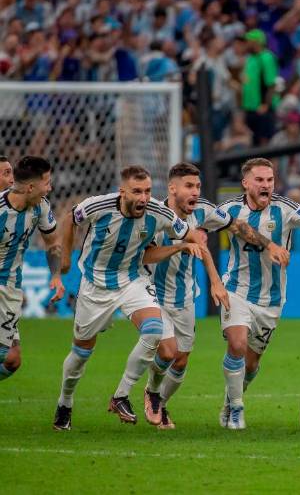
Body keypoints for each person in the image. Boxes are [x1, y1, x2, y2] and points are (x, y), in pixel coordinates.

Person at [52, 166, 213, 430]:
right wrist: (67, 257)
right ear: (122, 192)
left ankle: (121, 395)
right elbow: (70, 219)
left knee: (153, 331)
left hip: (133, 280)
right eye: (137, 192)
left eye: (148, 191)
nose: (143, 198)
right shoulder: (98, 206)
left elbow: (189, 233)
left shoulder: (159, 213)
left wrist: (189, 242)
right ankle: (65, 403)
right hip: (96, 285)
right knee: (81, 353)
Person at [141, 162, 272, 429]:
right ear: (172, 188)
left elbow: (236, 227)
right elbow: (145, 254)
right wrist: (181, 247)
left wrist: (270, 245)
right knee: (168, 352)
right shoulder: (154, 214)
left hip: (185, 295)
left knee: (181, 360)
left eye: (198, 186)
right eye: (189, 186)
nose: (195, 192)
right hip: (152, 293)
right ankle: (150, 392)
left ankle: (161, 403)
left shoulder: (204, 211)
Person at [217, 158, 300, 430]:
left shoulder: (283, 208)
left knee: (250, 364)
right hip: (236, 290)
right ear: (245, 183)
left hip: (271, 301)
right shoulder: (230, 208)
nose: (265, 185)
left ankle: (230, 397)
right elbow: (226, 225)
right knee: (236, 344)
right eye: (259, 180)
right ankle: (237, 409)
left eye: (269, 180)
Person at [0, 156, 64, 381]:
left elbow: (53, 242)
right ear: (30, 187)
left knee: (12, 360)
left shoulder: (41, 206)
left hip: (10, 286)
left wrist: (55, 276)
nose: (50, 187)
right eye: (46, 183)